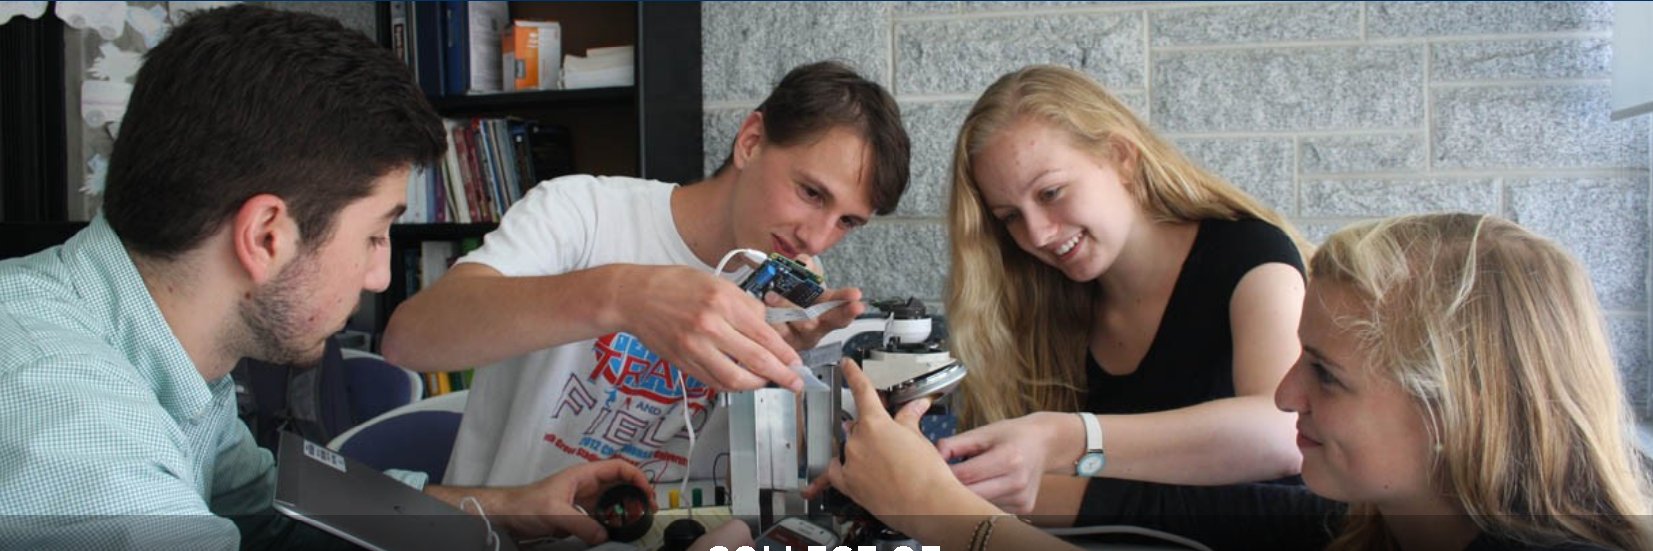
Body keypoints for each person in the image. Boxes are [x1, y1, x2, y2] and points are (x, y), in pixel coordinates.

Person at [0, 6, 669, 549]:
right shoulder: (71, 423)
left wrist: (504, 510)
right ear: (266, 236)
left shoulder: (153, 345)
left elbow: (270, 509)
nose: (379, 276)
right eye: (374, 235)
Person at [812, 213, 1653, 551]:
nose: (1285, 394)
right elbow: (1186, 514)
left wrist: (942, 511)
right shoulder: (1386, 516)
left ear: (1455, 409)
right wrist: (971, 479)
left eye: (1325, 373)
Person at [380, 61, 910, 491]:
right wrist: (624, 295)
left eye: (847, 222)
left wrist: (787, 377)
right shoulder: (582, 211)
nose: (816, 238)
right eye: (811, 193)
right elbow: (410, 339)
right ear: (751, 141)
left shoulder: (793, 282)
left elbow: (783, 480)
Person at [936, 64, 1311, 515]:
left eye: (1050, 193)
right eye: (1010, 217)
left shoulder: (1250, 254)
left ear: (1121, 157)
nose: (1036, 234)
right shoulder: (1044, 298)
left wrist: (1063, 440)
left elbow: (1283, 433)